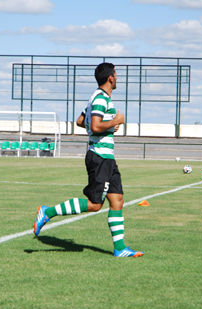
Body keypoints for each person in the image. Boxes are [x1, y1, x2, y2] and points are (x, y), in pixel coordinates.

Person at [33, 62, 144, 258]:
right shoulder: (101, 98)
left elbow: (80, 121)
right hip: (99, 157)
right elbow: (94, 125)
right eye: (116, 75)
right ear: (110, 78)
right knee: (94, 204)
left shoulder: (97, 97)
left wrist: (108, 126)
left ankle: (120, 249)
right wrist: (115, 122)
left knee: (117, 200)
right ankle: (47, 212)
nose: (117, 78)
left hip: (107, 158)